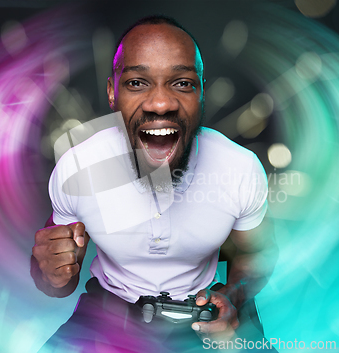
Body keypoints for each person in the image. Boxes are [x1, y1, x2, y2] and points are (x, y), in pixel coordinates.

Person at [32, 15, 278, 352]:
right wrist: (50, 272)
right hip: (109, 310)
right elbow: (56, 280)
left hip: (202, 312)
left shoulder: (238, 167)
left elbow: (256, 253)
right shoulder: (79, 167)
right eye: (136, 82)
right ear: (111, 93)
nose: (161, 103)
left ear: (202, 92)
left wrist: (232, 294)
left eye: (182, 83)